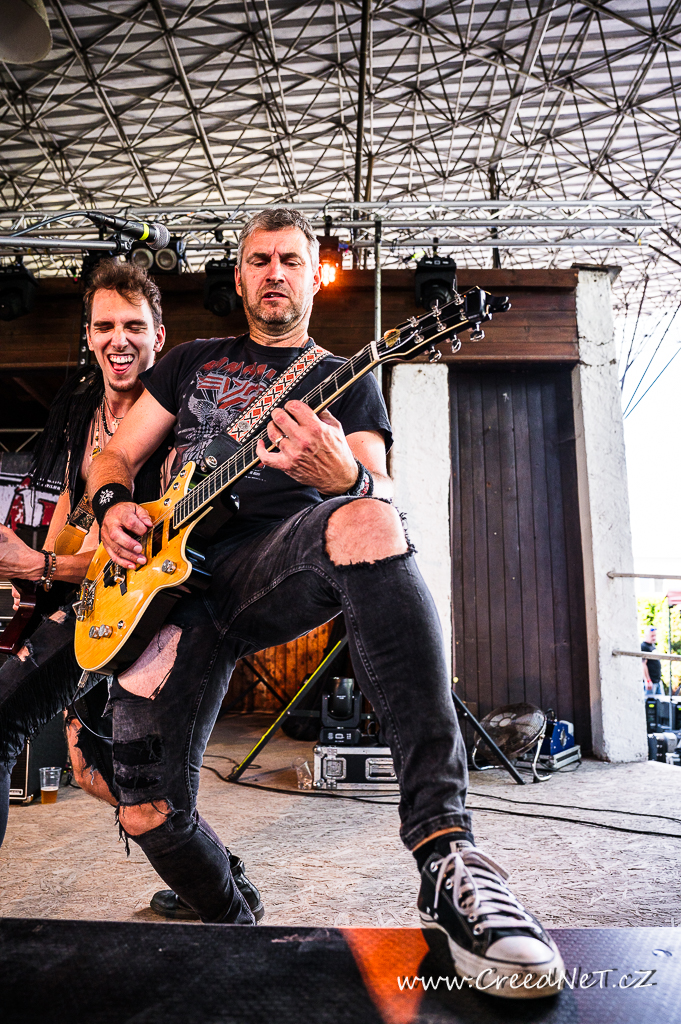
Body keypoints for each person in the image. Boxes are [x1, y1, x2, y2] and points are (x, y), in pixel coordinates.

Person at [88, 208, 564, 998]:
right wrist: (112, 506)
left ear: (317, 277)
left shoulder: (346, 377)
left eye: (289, 260)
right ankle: (231, 913)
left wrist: (343, 476)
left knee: (369, 519)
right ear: (238, 276)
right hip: (163, 590)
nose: (274, 272)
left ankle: (447, 851)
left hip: (273, 562)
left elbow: (380, 488)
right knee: (146, 808)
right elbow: (115, 454)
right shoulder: (193, 361)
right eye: (258, 259)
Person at [0, 258, 263, 922]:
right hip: (91, 609)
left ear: (158, 336)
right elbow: (74, 518)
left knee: (140, 785)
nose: (118, 340)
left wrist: (38, 567)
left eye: (134, 326)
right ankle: (210, 869)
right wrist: (38, 585)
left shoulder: (173, 422)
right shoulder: (85, 415)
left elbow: (145, 554)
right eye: (104, 326)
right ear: (88, 336)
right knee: (97, 771)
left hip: (156, 615)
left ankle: (219, 885)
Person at [642, 625, 663, 695]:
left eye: (655, 635)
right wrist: (647, 680)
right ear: (646, 636)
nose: (654, 638)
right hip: (650, 682)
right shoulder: (644, 647)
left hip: (657, 681)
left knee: (661, 701)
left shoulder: (652, 646)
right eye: (652, 636)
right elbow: (643, 664)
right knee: (649, 700)